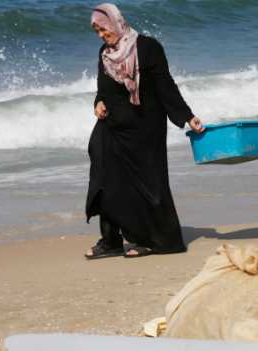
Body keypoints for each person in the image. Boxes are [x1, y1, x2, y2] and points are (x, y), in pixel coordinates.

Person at [84, 3, 204, 259]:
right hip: (113, 126)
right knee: (104, 177)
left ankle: (156, 240)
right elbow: (102, 89)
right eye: (97, 32)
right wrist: (98, 103)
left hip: (145, 127)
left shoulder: (148, 48)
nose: (101, 36)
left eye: (103, 30)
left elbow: (165, 85)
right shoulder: (104, 54)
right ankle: (111, 240)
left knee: (149, 184)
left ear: (116, 23)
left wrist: (187, 116)